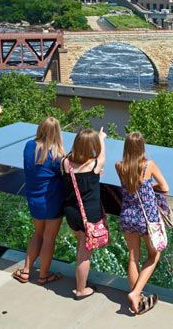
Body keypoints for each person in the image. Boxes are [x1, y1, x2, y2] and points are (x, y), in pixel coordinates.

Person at [115, 132, 169, 315]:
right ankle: (136, 293)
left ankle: (136, 303)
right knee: (154, 256)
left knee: (133, 258)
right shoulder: (149, 165)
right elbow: (165, 188)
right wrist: (150, 186)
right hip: (146, 218)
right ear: (142, 147)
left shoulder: (119, 166)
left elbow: (130, 185)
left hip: (127, 215)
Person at [12, 117, 66, 285]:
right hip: (52, 201)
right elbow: (67, 171)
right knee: (49, 238)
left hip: (34, 199)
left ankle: (26, 271)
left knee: (37, 233)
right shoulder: (57, 154)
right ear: (57, 132)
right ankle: (43, 275)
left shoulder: (29, 146)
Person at [62, 127, 106, 300]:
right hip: (90, 215)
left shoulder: (65, 163)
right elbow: (101, 154)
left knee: (81, 244)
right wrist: (101, 137)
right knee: (84, 254)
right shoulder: (95, 165)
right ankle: (81, 289)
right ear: (92, 146)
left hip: (71, 212)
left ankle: (83, 280)